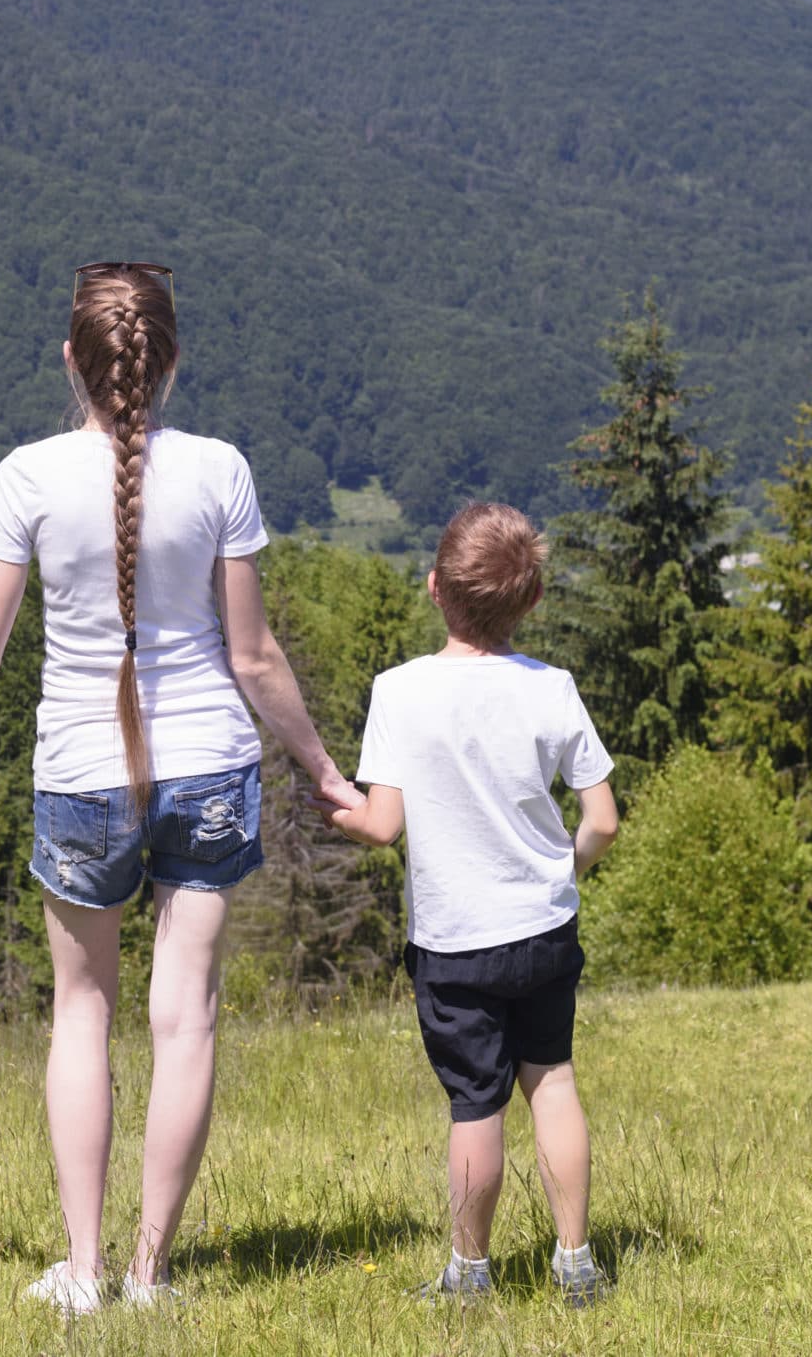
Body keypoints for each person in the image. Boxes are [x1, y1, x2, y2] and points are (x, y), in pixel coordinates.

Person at [0, 262, 352, 1313]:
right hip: (212, 769)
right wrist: (322, 767)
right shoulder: (223, 471)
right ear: (173, 358)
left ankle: (86, 1267)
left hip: (80, 775)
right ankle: (153, 1272)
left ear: (70, 359)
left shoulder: (28, 476)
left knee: (81, 1012)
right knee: (183, 1014)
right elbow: (255, 657)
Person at [319, 501, 622, 1309]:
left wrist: (334, 806)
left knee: (475, 1103)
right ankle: (576, 1262)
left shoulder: (400, 691)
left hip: (455, 941)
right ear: (532, 602)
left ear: (433, 588)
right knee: (551, 1081)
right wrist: (567, 871)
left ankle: (470, 1273)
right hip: (544, 926)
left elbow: (382, 825)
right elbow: (603, 819)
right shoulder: (553, 688)